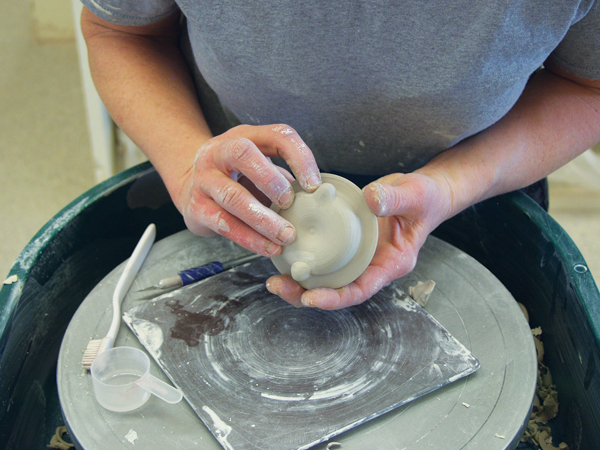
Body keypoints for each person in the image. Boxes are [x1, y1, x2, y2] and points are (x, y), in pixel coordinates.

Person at [79, 1, 600, 310]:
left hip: (482, 185)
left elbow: (587, 85)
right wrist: (188, 161)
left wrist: (452, 186)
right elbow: (122, 32)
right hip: (235, 193)